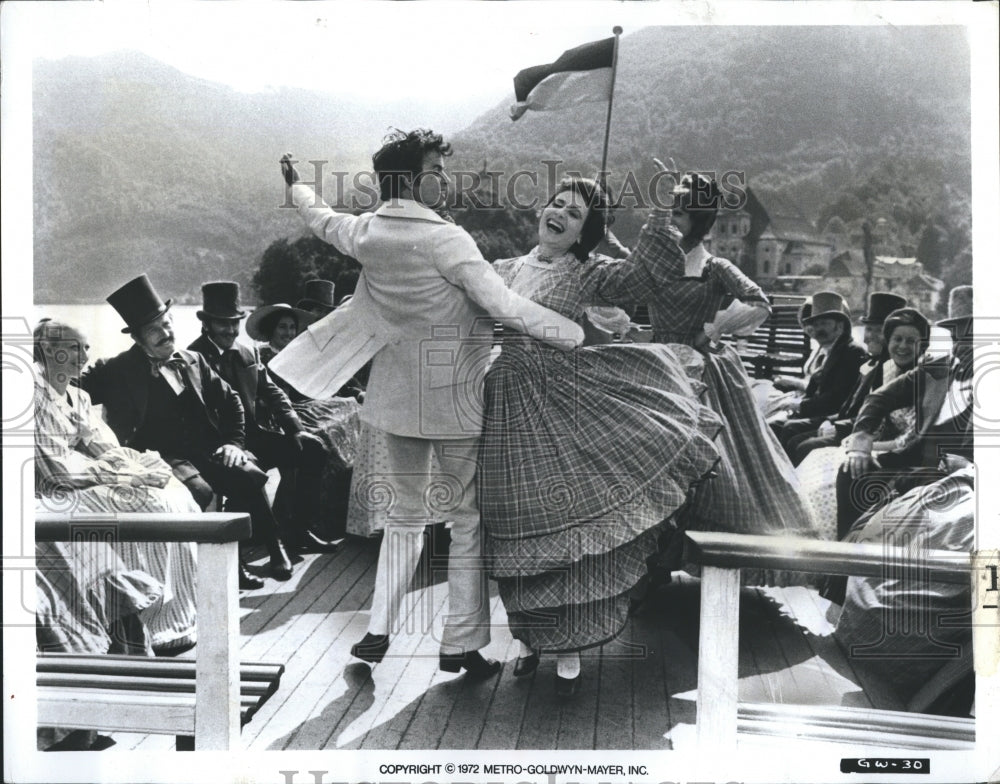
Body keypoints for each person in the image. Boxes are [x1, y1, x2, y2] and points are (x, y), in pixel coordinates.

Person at [275, 129, 585, 678]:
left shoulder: (369, 232)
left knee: (404, 518)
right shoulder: (448, 240)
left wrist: (298, 185)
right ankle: (460, 645)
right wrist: (575, 335)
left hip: (394, 400)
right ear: (416, 178)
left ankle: (376, 631)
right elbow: (505, 305)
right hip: (456, 400)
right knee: (465, 520)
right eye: (437, 170)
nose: (444, 179)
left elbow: (323, 220)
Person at [479, 174, 724, 696]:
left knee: (564, 521)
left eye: (576, 214)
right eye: (557, 203)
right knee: (513, 523)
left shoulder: (589, 273)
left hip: (561, 400)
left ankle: (566, 648)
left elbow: (644, 277)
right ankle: (526, 639)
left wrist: (659, 214)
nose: (561, 214)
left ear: (585, 232)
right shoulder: (503, 270)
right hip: (504, 406)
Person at [583, 172, 821, 556]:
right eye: (671, 212)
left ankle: (699, 550)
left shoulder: (715, 267)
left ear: (701, 220)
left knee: (711, 464)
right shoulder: (657, 264)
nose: (673, 220)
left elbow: (760, 302)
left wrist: (713, 328)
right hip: (657, 366)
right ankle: (649, 554)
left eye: (681, 213)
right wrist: (599, 219)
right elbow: (623, 262)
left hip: (701, 372)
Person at [80, 274, 293, 587]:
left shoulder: (195, 360)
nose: (165, 334)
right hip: (158, 456)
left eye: (167, 324)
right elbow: (70, 385)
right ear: (137, 338)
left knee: (247, 473)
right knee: (202, 491)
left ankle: (273, 548)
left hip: (207, 449)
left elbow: (232, 401)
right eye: (154, 330)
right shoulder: (117, 369)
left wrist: (234, 443)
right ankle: (206, 573)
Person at [33, 318, 201, 654]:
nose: (83, 356)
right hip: (56, 491)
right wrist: (121, 477)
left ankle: (174, 618)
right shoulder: (35, 398)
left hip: (84, 479)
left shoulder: (78, 397)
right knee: (146, 503)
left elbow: (104, 448)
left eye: (86, 348)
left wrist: (137, 468)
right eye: (73, 348)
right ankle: (148, 621)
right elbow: (55, 473)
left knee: (171, 493)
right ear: (48, 351)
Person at [189, 281, 342, 554]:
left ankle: (299, 531)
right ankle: (275, 544)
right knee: (251, 468)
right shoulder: (193, 357)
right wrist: (231, 445)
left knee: (313, 449)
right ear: (207, 323)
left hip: (255, 436)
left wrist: (295, 429)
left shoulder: (247, 352)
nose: (231, 330)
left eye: (235, 322)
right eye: (223, 323)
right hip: (220, 447)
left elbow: (272, 393)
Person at [835, 286, 974, 541]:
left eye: (975, 337)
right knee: (851, 472)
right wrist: (861, 440)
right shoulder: (937, 369)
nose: (966, 346)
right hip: (920, 463)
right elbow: (880, 397)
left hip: (965, 476)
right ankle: (841, 557)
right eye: (961, 336)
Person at [796, 307, 930, 540]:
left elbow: (911, 438)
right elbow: (875, 410)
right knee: (817, 462)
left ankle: (842, 546)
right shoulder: (889, 369)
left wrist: (867, 447)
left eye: (912, 341)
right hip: (882, 447)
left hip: (909, 456)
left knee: (844, 471)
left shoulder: (927, 376)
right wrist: (858, 440)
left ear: (924, 344)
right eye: (897, 339)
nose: (903, 347)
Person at [246, 300, 362, 538]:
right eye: (282, 328)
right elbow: (266, 395)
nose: (288, 333)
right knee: (319, 436)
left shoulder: (298, 352)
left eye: (291, 328)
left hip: (298, 409)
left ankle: (325, 517)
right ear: (271, 330)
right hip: (270, 417)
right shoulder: (262, 355)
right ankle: (294, 520)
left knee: (348, 415)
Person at [785, 292, 907, 465]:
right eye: (868, 329)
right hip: (847, 424)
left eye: (877, 330)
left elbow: (876, 419)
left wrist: (835, 426)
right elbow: (849, 406)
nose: (866, 337)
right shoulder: (871, 365)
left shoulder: (892, 370)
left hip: (863, 435)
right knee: (793, 434)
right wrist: (831, 421)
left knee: (802, 445)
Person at [774, 290, 868, 451]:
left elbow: (837, 397)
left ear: (839, 326)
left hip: (831, 414)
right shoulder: (831, 349)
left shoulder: (852, 352)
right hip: (819, 410)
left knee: (789, 429)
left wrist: (801, 406)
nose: (818, 330)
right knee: (774, 426)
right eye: (816, 325)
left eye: (824, 324)